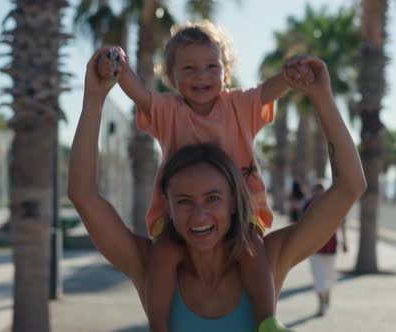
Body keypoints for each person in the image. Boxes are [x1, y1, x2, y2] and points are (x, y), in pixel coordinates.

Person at [68, 48, 366, 331]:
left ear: (234, 203)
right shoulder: (150, 265)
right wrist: (94, 99)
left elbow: (350, 187)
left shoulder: (268, 258)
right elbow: (83, 196)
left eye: (212, 198)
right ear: (168, 207)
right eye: (184, 201)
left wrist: (322, 97)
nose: (200, 214)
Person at [96, 20, 314, 331]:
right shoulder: (169, 111)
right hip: (179, 213)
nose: (202, 76)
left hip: (239, 209)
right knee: (164, 253)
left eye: (212, 66)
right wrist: (118, 67)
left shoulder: (239, 105)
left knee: (251, 245)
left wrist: (290, 75)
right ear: (171, 77)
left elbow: (268, 91)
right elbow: (141, 96)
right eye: (189, 68)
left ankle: (267, 321)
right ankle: (158, 324)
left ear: (226, 71)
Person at [303, 182, 348, 316]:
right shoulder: (307, 206)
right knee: (318, 278)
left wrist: (345, 241)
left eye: (321, 192)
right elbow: (300, 227)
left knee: (328, 276)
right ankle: (321, 303)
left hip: (331, 248)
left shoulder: (334, 205)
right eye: (316, 192)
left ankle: (326, 295)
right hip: (314, 249)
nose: (318, 195)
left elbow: (342, 222)